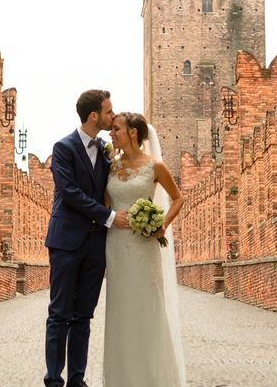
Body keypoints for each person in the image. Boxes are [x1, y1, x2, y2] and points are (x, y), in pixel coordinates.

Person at [43, 90, 129, 387]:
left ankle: (77, 380)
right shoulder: (63, 148)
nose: (112, 116)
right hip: (66, 241)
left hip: (96, 245)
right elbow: (70, 194)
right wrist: (108, 217)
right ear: (94, 115)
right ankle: (54, 380)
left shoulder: (106, 150)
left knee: (83, 315)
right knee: (59, 313)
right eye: (108, 112)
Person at [103, 112, 187, 386]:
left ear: (133, 133)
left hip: (144, 248)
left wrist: (162, 224)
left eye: (116, 129)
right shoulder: (110, 168)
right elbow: (105, 206)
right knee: (121, 312)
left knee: (147, 309)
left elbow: (177, 198)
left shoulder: (155, 166)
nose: (111, 133)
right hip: (116, 247)